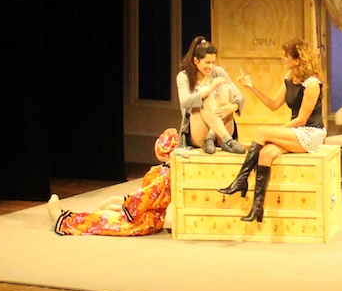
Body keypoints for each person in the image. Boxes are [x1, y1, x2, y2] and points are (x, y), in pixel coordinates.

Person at [219, 38, 326, 224]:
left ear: (298, 60)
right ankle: (257, 208)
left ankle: (241, 179)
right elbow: (274, 104)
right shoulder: (289, 78)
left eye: (286, 56)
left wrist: (273, 133)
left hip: (311, 133)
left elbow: (302, 119)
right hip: (295, 132)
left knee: (262, 132)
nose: (283, 58)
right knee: (265, 154)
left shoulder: (312, 85)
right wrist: (251, 86)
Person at [45, 128, 177, 236]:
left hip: (145, 220)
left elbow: (145, 198)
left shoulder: (165, 176)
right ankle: (66, 219)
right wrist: (124, 202)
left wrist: (124, 205)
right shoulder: (165, 171)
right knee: (106, 216)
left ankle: (64, 221)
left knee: (104, 220)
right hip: (147, 216)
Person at [176, 37, 244, 152]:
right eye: (207, 63)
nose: (211, 67)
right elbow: (184, 101)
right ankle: (227, 140)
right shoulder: (184, 76)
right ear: (196, 61)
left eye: (213, 62)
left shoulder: (218, 72)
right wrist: (210, 88)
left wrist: (233, 107)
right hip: (199, 132)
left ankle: (212, 137)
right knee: (206, 96)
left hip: (221, 130)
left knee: (225, 88)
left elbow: (239, 96)